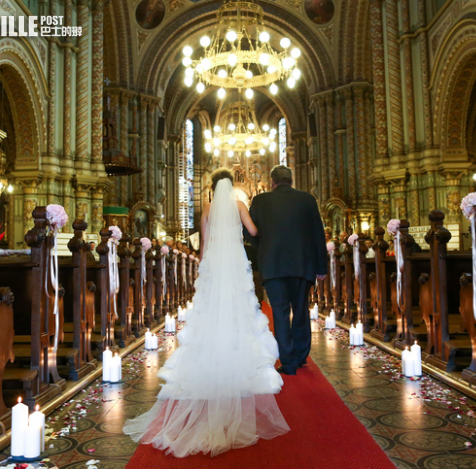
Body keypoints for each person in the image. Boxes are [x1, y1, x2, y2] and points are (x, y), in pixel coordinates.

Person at [123, 168, 289, 457]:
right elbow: (253, 231)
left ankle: (213, 350)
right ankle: (236, 352)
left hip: (214, 262)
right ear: (232, 186)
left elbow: (204, 242)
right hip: (235, 262)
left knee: (212, 309)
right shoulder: (239, 205)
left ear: (212, 187)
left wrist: (204, 266)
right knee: (238, 308)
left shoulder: (208, 209)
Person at [245, 165, 327, 376]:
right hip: (303, 264)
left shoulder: (260, 201)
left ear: (272, 182)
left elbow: (248, 231)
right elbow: (318, 234)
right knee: (301, 310)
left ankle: (288, 362)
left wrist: (263, 248)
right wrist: (321, 267)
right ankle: (301, 356)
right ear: (291, 180)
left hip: (273, 265)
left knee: (280, 314)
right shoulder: (307, 199)